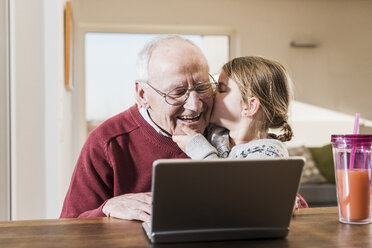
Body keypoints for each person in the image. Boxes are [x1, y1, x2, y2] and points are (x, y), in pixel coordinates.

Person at [60, 36, 217, 221]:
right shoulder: (107, 142)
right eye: (177, 92)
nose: (195, 105)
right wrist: (106, 209)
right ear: (142, 94)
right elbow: (70, 226)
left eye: (202, 87)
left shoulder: (227, 128)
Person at [173, 56, 308, 208]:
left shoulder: (269, 155)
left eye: (221, 89)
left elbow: (230, 192)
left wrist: (198, 149)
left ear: (249, 106)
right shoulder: (216, 133)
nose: (212, 93)